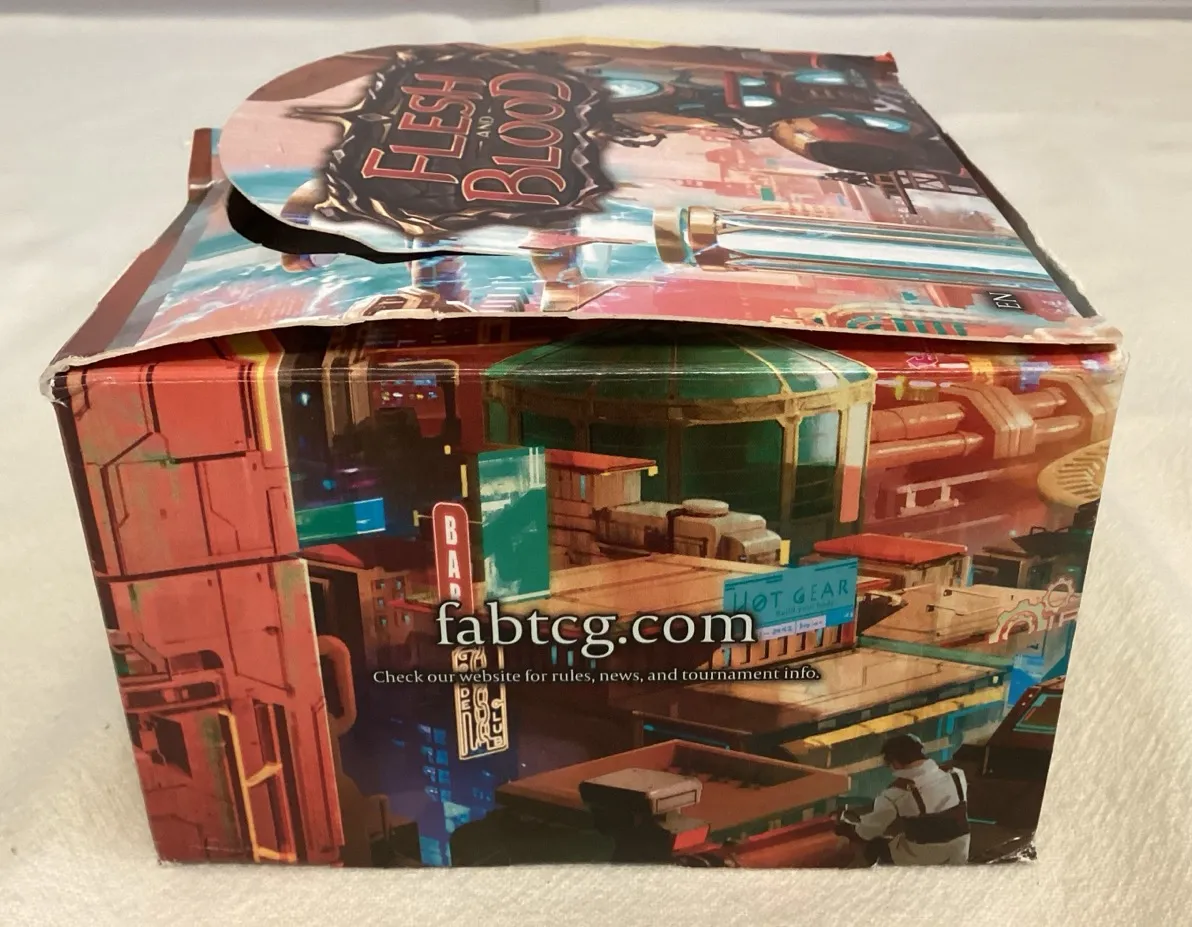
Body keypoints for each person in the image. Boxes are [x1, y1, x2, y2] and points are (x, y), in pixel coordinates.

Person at [836, 734, 970, 866]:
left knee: (874, 845)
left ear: (895, 763)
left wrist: (850, 827)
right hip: (959, 852)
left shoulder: (896, 793)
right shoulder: (956, 774)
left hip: (925, 857)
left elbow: (869, 831)